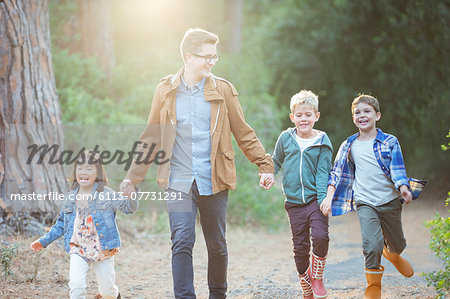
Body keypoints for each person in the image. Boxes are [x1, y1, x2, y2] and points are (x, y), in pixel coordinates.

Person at [119, 28, 274, 299]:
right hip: (178, 178)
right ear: (189, 57)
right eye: (207, 57)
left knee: (217, 244)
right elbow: (152, 135)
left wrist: (264, 164)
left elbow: (242, 131)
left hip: (213, 176)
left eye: (215, 57)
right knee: (181, 240)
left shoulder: (223, 90)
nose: (212, 62)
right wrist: (133, 177)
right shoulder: (165, 90)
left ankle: (218, 295)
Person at [320, 94, 414, 299]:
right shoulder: (349, 145)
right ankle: (373, 285)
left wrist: (404, 188)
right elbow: (336, 172)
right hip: (365, 202)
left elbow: (397, 169)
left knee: (398, 244)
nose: (362, 115)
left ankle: (393, 254)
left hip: (390, 201)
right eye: (357, 112)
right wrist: (329, 196)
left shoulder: (390, 141)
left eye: (367, 111)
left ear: (377, 115)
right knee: (371, 244)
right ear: (353, 118)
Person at [30, 151, 139, 299]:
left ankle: (114, 293)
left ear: (98, 172)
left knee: (107, 292)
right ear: (75, 172)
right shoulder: (70, 198)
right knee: (76, 287)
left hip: (103, 249)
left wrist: (132, 194)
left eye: (89, 168)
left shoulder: (106, 194)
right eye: (80, 168)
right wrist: (43, 241)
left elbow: (128, 208)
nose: (83, 171)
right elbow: (61, 224)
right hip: (78, 248)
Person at [266, 90, 332, 299]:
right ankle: (306, 287)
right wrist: (268, 174)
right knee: (300, 248)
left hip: (315, 200)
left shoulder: (322, 141)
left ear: (316, 116)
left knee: (321, 237)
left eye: (308, 115)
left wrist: (323, 201)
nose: (304, 119)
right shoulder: (286, 138)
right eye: (299, 115)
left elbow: (323, 173)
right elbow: (276, 160)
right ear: (292, 117)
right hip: (294, 203)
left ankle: (317, 276)